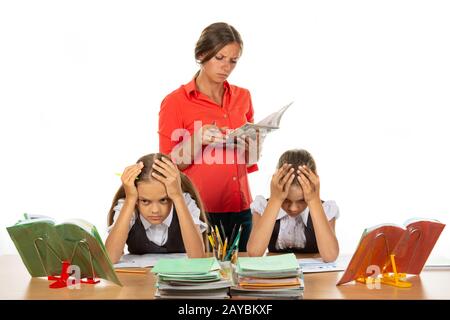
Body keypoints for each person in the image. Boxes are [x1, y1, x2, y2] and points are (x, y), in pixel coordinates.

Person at [158, 22, 262, 252]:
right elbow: (167, 166)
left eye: (233, 61)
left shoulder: (243, 97)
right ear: (202, 54)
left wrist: (255, 144)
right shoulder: (175, 102)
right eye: (219, 57)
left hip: (242, 210)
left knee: (245, 279)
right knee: (203, 280)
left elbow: (249, 162)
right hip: (199, 213)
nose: (226, 67)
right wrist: (196, 139)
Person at [105, 153, 207, 264]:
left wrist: (178, 197)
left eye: (163, 200)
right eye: (145, 201)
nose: (155, 210)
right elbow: (109, 258)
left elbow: (198, 259)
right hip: (139, 280)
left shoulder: (184, 202)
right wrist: (130, 199)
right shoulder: (129, 204)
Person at [246, 149, 339, 262]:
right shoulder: (263, 206)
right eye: (286, 200)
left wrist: (314, 200)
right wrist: (275, 199)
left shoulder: (325, 209)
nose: (293, 208)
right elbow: (254, 253)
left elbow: (330, 256)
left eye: (302, 200)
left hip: (313, 277)